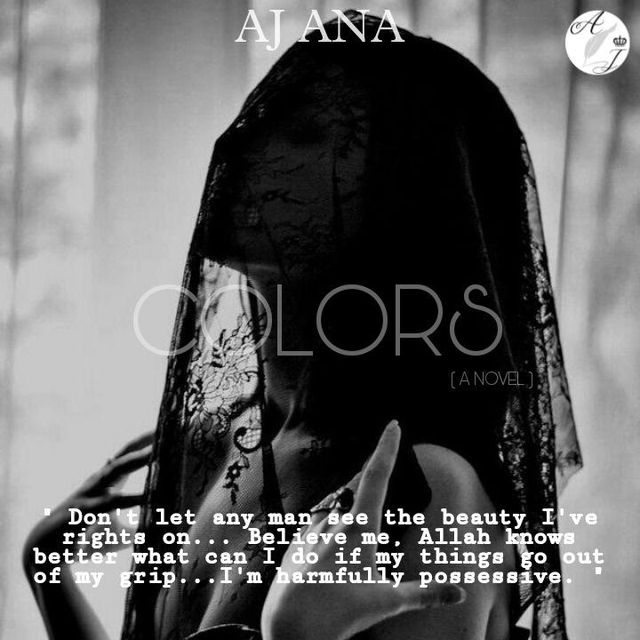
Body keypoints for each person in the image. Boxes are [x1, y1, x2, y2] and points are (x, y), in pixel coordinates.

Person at [24, 12, 582, 640]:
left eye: (307, 132)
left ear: (397, 198)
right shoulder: (219, 442)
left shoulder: (426, 488)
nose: (241, 145)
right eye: (259, 117)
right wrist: (48, 575)